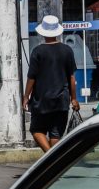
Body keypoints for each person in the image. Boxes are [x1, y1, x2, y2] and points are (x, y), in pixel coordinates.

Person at [22, 15, 80, 152]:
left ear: (42, 32)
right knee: (56, 134)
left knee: (36, 130)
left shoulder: (37, 51)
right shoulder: (67, 50)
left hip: (41, 100)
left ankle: (49, 158)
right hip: (61, 100)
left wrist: (26, 96)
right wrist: (74, 99)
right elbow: (71, 77)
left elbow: (31, 78)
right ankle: (53, 160)